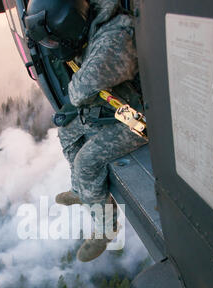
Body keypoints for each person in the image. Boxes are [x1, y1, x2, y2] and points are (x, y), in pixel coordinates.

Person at [25, 0, 146, 262]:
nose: (54, 48)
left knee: (86, 163)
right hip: (118, 104)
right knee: (67, 132)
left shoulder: (114, 38)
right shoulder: (91, 26)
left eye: (55, 41)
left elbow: (80, 92)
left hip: (143, 118)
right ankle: (82, 191)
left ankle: (106, 228)